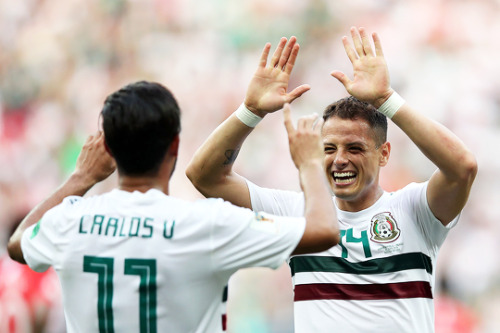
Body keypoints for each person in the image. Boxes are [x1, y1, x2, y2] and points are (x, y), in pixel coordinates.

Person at [186, 27, 478, 332]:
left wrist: (386, 99)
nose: (339, 159)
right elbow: (204, 176)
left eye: (354, 148)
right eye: (329, 149)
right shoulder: (297, 213)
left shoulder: (415, 210)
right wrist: (251, 111)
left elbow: (463, 167)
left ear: (384, 154)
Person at [7, 81, 340, 332]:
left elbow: (19, 242)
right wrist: (309, 163)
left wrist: (80, 177)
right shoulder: (204, 223)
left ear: (107, 148)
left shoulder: (69, 220)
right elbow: (324, 231)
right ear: (175, 145)